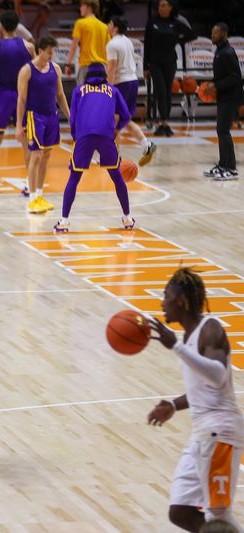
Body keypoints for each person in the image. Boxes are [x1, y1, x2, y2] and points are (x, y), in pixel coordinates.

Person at [147, 268, 244, 531]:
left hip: (220, 432)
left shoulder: (209, 328)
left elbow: (217, 376)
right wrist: (173, 405)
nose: (161, 302)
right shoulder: (188, 337)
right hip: (203, 432)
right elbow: (203, 387)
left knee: (218, 517)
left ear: (180, 300)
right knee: (180, 511)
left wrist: (175, 347)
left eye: (166, 295)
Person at [54, 63, 132, 233]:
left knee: (74, 177)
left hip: (84, 136)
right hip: (106, 135)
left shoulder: (78, 91)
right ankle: (127, 219)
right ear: (104, 75)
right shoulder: (113, 90)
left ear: (86, 76)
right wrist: (117, 130)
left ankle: (64, 221)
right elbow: (126, 115)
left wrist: (76, 137)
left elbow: (73, 118)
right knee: (116, 176)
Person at [0, 11, 35, 194]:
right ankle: (29, 182)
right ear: (17, 26)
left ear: (1, 27)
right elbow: (35, 72)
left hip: (4, 95)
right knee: (26, 141)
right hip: (24, 95)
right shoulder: (29, 46)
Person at [15, 36, 70, 214]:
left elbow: (60, 95)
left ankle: (39, 194)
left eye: (52, 52)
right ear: (40, 50)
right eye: (48, 52)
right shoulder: (27, 70)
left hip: (51, 115)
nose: (51, 55)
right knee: (36, 156)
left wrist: (70, 117)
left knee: (46, 155)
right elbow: (21, 99)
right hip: (34, 116)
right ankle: (32, 199)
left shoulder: (55, 68)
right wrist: (18, 124)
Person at [106, 16, 157, 166]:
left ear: (114, 27)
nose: (107, 26)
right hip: (133, 81)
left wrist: (108, 90)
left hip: (121, 84)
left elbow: (112, 68)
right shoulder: (128, 41)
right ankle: (146, 144)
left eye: (109, 23)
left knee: (113, 122)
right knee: (125, 119)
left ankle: (115, 157)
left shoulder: (112, 44)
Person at [144, 0, 195, 137]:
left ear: (170, 8)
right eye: (160, 5)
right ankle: (162, 122)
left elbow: (192, 34)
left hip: (170, 62)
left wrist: (177, 41)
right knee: (160, 91)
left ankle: (165, 123)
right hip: (154, 62)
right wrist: (145, 66)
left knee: (168, 92)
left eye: (164, 5)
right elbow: (147, 44)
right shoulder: (152, 22)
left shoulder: (176, 23)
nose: (161, 8)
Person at [203, 23, 242, 181]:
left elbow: (235, 77)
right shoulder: (219, 51)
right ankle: (223, 165)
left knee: (223, 131)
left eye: (215, 33)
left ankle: (231, 168)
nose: (212, 36)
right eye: (212, 33)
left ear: (224, 34)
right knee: (221, 130)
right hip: (224, 96)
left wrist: (215, 86)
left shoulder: (228, 52)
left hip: (231, 97)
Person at [65, 0, 109, 85]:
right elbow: (108, 49)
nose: (80, 8)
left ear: (89, 7)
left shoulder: (80, 23)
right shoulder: (105, 27)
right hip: (102, 67)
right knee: (99, 96)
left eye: (82, 5)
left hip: (87, 66)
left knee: (84, 96)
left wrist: (68, 64)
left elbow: (74, 46)